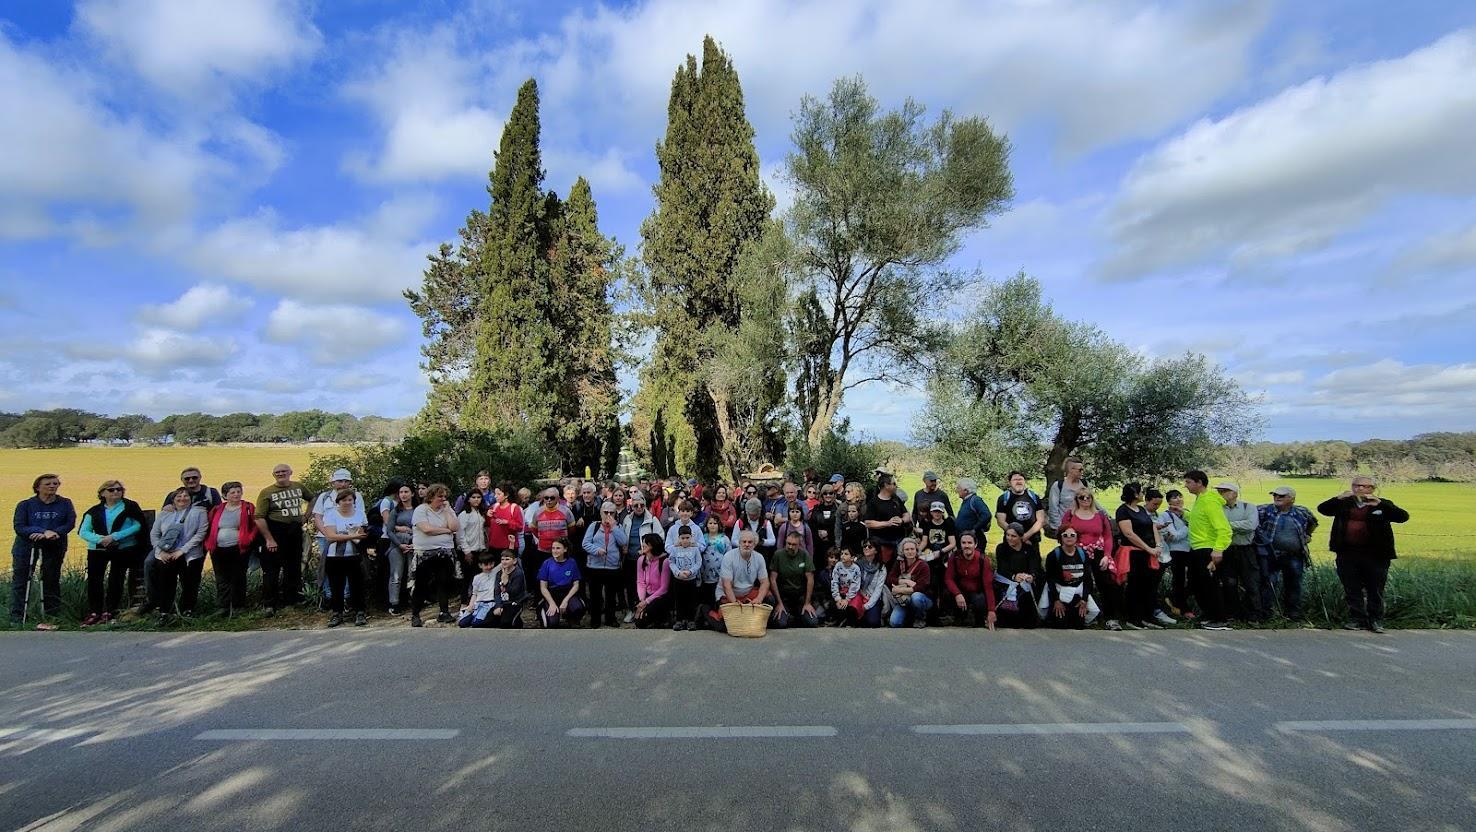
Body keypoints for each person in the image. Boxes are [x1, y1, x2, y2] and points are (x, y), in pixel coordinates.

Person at [1318, 477, 1409, 633]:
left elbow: (1402, 517)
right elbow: (1323, 509)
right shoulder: (1344, 503)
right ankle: (1357, 619)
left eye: (1364, 486)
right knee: (1352, 587)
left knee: (1375, 588)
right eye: (1356, 486)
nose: (1360, 489)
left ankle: (1376, 620)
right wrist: (1337, 498)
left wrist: (1381, 504)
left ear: (1372, 489)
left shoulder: (1382, 503)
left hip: (1376, 554)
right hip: (1347, 552)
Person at [11, 474, 77, 628]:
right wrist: (41, 531)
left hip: (54, 544)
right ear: (38, 487)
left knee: (51, 579)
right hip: (27, 545)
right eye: (48, 484)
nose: (52, 486)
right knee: (21, 580)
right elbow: (19, 526)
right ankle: (17, 616)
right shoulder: (25, 505)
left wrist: (54, 533)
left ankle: (52, 615)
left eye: (55, 483)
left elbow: (70, 522)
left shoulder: (65, 503)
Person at [79, 480, 145, 627]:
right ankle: (94, 611)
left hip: (123, 548)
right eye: (111, 490)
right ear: (102, 493)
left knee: (116, 579)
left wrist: (115, 536)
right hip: (98, 549)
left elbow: (138, 525)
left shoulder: (130, 507)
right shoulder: (93, 511)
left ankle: (111, 610)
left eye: (119, 489)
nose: (115, 492)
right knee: (95, 581)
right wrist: (101, 539)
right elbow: (83, 531)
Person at [1059, 486, 1122, 630]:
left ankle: (1111, 618)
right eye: (1082, 497)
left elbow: (1107, 536)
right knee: (1079, 584)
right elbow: (1063, 533)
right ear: (1077, 499)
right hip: (1078, 553)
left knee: (1107, 584)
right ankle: (1084, 616)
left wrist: (1107, 555)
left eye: (1088, 497)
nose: (1085, 500)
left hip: (1098, 552)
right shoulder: (1070, 514)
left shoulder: (1100, 515)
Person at [1255, 486, 1319, 622]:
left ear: (1292, 499)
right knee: (1268, 583)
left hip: (1294, 554)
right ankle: (1266, 613)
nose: (1277, 498)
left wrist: (1307, 535)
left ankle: (1292, 613)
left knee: (1294, 584)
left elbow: (1313, 523)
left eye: (1282, 496)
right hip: (1269, 554)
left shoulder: (1302, 512)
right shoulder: (1263, 510)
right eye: (1275, 495)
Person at [254, 463, 312, 612]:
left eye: (284, 471)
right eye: (277, 472)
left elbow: (312, 499)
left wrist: (306, 515)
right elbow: (259, 517)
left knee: (293, 567)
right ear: (273, 475)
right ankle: (270, 603)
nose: (281, 474)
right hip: (275, 530)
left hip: (294, 531)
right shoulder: (267, 492)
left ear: (290, 472)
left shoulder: (298, 486)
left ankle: (291, 600)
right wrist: (269, 539)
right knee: (272, 569)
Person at [1115, 483, 1172, 629]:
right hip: (1134, 553)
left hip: (1149, 553)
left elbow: (1152, 526)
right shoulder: (1123, 511)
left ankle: (1147, 616)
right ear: (1134, 494)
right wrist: (1148, 548)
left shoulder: (1140, 509)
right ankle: (1133, 618)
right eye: (1141, 492)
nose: (1143, 495)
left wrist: (1158, 545)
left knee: (1149, 585)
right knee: (1135, 586)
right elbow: (1129, 533)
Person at [149, 487, 209, 622]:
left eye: (186, 496)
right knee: (166, 583)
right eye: (179, 497)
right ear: (173, 499)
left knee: (190, 583)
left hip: (189, 554)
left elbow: (200, 534)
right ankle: (165, 612)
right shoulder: (165, 514)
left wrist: (182, 550)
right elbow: (155, 534)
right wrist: (160, 551)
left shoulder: (199, 512)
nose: (182, 499)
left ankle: (187, 610)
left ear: (191, 498)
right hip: (166, 555)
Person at [1183, 470, 1232, 631]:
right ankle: (1210, 614)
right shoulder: (1200, 499)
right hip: (1197, 548)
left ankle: (1220, 619)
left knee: (1210, 584)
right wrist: (1183, 514)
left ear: (1199, 483)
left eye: (1188, 482)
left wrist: (1218, 550)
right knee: (1197, 583)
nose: (1186, 486)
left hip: (1207, 549)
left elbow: (1224, 529)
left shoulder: (1210, 501)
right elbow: (1200, 520)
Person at [410, 484, 460, 628]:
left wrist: (448, 511)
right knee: (421, 584)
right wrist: (446, 530)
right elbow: (427, 529)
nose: (443, 499)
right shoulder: (421, 510)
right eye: (440, 496)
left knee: (443, 582)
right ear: (431, 497)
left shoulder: (446, 510)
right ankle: (415, 614)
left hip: (445, 552)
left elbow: (455, 527)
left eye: (445, 496)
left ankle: (444, 612)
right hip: (425, 553)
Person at [204, 482, 257, 617]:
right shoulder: (217, 509)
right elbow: (209, 526)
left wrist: (248, 539)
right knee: (222, 578)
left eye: (238, 491)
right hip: (218, 549)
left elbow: (255, 525)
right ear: (225, 495)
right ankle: (223, 607)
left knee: (238, 577)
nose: (236, 495)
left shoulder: (247, 507)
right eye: (232, 492)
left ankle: (238, 606)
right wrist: (208, 543)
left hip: (239, 548)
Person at [319, 487, 369, 627]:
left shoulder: (360, 513)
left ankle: (360, 612)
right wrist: (352, 535)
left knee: (357, 585)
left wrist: (345, 535)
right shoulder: (331, 514)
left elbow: (363, 533)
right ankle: (337, 613)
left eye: (350, 500)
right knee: (337, 586)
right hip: (335, 555)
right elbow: (330, 536)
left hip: (355, 554)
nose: (347, 502)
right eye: (344, 500)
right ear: (338, 502)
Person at [1217, 481, 1262, 623]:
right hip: (1226, 549)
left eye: (1225, 491)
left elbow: (1250, 525)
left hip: (1245, 549)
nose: (1221, 494)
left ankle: (1254, 614)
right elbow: (1213, 526)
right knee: (1228, 583)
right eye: (1220, 491)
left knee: (1251, 582)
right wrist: (1235, 526)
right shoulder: (1217, 508)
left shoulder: (1248, 507)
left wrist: (1225, 526)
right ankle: (1233, 613)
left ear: (1234, 494)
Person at [582, 502, 628, 628]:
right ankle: (595, 619)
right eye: (605, 512)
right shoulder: (594, 526)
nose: (608, 515)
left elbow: (623, 541)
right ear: (601, 512)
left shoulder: (618, 526)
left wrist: (613, 527)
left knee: (611, 596)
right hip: (594, 566)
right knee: (595, 595)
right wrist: (596, 550)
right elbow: (585, 544)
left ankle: (610, 618)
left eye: (611, 513)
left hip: (612, 567)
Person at [620, 494, 663, 623]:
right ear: (631, 506)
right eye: (636, 505)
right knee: (630, 586)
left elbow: (660, 537)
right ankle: (631, 609)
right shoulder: (627, 519)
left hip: (646, 560)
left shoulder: (652, 520)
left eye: (642, 505)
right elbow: (623, 535)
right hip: (629, 558)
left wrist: (647, 550)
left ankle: (643, 608)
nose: (639, 508)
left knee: (643, 585)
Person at [715, 529, 770, 629]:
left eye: (750, 542)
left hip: (747, 594)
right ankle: (706, 611)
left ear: (754, 544)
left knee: (769, 598)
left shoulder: (759, 558)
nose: (747, 544)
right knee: (725, 625)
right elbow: (726, 585)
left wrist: (759, 599)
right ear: (739, 543)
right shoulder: (729, 557)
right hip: (728, 595)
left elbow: (765, 582)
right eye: (744, 542)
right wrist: (734, 603)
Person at [993, 523, 1043, 629]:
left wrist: (1031, 576)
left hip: (1025, 581)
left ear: (1020, 536)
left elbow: (1034, 566)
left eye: (1013, 536)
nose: (1009, 538)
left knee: (1027, 599)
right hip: (1006, 581)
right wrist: (1014, 576)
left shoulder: (1029, 549)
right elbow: (1002, 567)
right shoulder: (1001, 548)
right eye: (1008, 535)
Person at [944, 530, 997, 629]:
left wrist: (991, 611)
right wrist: (957, 594)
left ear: (975, 544)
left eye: (970, 543)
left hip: (977, 591)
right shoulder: (954, 557)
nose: (966, 546)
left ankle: (979, 621)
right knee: (947, 593)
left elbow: (988, 586)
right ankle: (958, 618)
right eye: (963, 543)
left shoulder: (983, 560)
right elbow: (948, 578)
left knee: (979, 600)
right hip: (961, 590)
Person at [1044, 528, 1095, 629]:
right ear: (1060, 538)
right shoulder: (1053, 555)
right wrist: (1056, 600)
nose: (1069, 538)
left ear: (1077, 537)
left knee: (1079, 625)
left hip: (1077, 593)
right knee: (1060, 623)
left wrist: (1084, 600)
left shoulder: (1083, 554)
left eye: (1072, 535)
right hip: (1059, 592)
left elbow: (1088, 579)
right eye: (1065, 535)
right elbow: (1050, 579)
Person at [379, 483, 417, 615]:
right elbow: (389, 531)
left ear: (412, 493)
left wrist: (415, 543)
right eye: (401, 492)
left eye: (406, 492)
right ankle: (394, 603)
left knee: (412, 574)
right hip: (396, 545)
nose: (403, 495)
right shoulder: (395, 511)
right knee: (396, 575)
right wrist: (399, 544)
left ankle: (415, 601)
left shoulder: (419, 509)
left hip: (414, 545)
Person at [769, 530, 818, 628]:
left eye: (794, 544)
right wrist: (779, 603)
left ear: (799, 544)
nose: (790, 547)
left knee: (812, 622)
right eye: (788, 544)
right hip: (784, 597)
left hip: (800, 597)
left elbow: (810, 579)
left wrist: (807, 602)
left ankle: (796, 617)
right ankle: (788, 617)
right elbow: (772, 579)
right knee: (780, 624)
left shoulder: (804, 555)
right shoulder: (778, 555)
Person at [1158, 490, 1193, 619]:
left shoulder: (1188, 513)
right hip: (1176, 551)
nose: (1178, 499)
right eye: (1174, 497)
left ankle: (1174, 598)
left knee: (1195, 578)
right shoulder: (1166, 516)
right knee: (1179, 579)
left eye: (1180, 496)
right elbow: (1174, 536)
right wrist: (1190, 526)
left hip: (1191, 549)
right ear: (1169, 501)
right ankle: (1182, 607)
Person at [863, 471, 911, 564]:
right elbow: (868, 523)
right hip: (882, 543)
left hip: (899, 541)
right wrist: (887, 523)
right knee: (884, 566)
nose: (895, 486)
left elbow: (907, 515)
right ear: (886, 485)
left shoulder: (896, 499)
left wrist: (901, 520)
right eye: (893, 484)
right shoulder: (873, 503)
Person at [537, 538, 585, 628]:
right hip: (551, 594)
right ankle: (547, 612)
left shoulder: (572, 562)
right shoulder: (546, 563)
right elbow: (543, 587)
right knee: (551, 624)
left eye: (558, 548)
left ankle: (571, 618)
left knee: (577, 608)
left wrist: (565, 601)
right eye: (553, 548)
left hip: (567, 593)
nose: (555, 551)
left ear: (565, 549)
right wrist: (551, 603)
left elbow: (576, 584)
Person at [529, 488, 571, 588]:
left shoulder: (566, 511)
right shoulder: (538, 512)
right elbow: (534, 529)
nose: (548, 500)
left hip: (561, 551)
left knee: (561, 574)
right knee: (543, 575)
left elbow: (571, 529)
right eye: (546, 498)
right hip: (543, 550)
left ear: (557, 498)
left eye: (552, 498)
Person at [994, 472, 1045, 553]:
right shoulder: (1003, 499)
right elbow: (1001, 521)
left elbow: (1041, 520)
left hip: (1032, 541)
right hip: (1011, 541)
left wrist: (1026, 536)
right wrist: (1016, 536)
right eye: (1015, 480)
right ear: (1010, 483)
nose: (1018, 482)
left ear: (1024, 481)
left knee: (1033, 565)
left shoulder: (1034, 497)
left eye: (1020, 479)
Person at [887, 538, 932, 628]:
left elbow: (921, 587)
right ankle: (909, 617)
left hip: (922, 598)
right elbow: (890, 579)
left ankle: (920, 618)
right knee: (894, 623)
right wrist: (905, 581)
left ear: (916, 550)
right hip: (904, 600)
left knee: (916, 597)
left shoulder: (923, 565)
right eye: (907, 549)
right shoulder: (899, 563)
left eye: (912, 549)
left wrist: (900, 590)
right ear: (902, 551)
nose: (910, 552)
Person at [455, 490, 489, 602]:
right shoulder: (464, 514)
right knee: (467, 577)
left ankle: (478, 600)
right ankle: (465, 601)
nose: (476, 499)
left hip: (480, 549)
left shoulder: (482, 513)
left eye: (478, 497)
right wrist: (466, 551)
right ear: (468, 499)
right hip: (468, 551)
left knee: (479, 576)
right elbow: (460, 535)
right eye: (473, 497)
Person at [667, 527, 703, 630]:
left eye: (687, 538)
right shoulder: (674, 549)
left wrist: (691, 571)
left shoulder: (695, 549)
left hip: (691, 580)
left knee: (691, 601)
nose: (685, 540)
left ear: (691, 537)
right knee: (679, 601)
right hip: (678, 580)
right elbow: (671, 562)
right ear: (679, 538)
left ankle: (691, 621)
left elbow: (698, 562)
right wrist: (678, 572)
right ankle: (679, 620)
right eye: (682, 538)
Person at [633, 534, 671, 629]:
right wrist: (642, 599)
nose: (643, 545)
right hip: (646, 594)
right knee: (639, 622)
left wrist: (647, 601)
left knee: (650, 611)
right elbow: (640, 581)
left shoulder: (664, 561)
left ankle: (662, 618)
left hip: (659, 596)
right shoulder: (641, 560)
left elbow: (664, 588)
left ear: (652, 546)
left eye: (646, 543)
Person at [1045, 457, 1089, 538]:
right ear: (1071, 470)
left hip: (1082, 527)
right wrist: (1059, 529)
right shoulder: (1058, 486)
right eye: (1080, 470)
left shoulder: (1084, 484)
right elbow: (1053, 509)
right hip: (1065, 528)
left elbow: (1093, 503)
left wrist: (1106, 516)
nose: (1082, 472)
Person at [458, 552, 501, 628]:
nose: (489, 567)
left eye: (491, 564)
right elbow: (475, 593)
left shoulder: (495, 572)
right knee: (462, 623)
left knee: (476, 623)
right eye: (486, 565)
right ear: (480, 565)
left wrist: (511, 544)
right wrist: (471, 605)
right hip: (478, 603)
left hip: (490, 603)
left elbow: (503, 562)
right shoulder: (477, 578)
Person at [854, 539, 891, 627]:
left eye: (870, 547)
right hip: (858, 596)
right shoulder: (857, 564)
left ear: (876, 550)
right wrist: (862, 595)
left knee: (873, 623)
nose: (866, 548)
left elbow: (878, 589)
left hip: (872, 598)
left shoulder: (881, 568)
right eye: (864, 546)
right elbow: (854, 584)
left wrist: (867, 605)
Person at [487, 550, 528, 628]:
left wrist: (506, 583)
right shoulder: (499, 574)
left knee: (505, 623)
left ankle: (517, 623)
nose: (504, 562)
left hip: (514, 602)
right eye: (502, 559)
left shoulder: (518, 573)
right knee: (488, 621)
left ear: (514, 561)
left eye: (507, 559)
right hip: (503, 602)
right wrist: (498, 605)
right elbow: (497, 592)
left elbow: (515, 592)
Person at [953, 478, 992, 546]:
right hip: (966, 541)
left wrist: (974, 529)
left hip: (974, 542)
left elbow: (986, 515)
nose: (957, 490)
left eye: (959, 488)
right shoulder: (967, 501)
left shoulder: (975, 500)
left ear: (966, 490)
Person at [830, 547, 863, 626]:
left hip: (853, 593)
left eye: (846, 554)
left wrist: (847, 599)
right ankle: (839, 620)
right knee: (835, 605)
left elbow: (855, 585)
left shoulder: (856, 568)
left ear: (852, 558)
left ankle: (851, 623)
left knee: (852, 608)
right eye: (841, 554)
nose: (842, 556)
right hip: (841, 591)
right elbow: (834, 581)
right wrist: (837, 598)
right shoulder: (838, 565)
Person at [808, 485, 842, 558]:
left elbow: (840, 525)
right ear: (822, 495)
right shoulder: (817, 508)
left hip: (833, 543)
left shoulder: (838, 508)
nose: (828, 495)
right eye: (825, 493)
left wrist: (828, 533)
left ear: (834, 494)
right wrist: (818, 533)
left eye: (830, 493)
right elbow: (812, 524)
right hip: (818, 544)